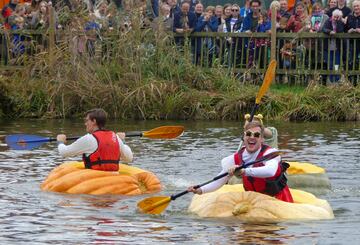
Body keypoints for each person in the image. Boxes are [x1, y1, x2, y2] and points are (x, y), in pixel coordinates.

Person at [188, 121, 293, 203]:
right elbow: (219, 180)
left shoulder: (270, 153)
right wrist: (200, 190)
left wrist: (244, 171)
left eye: (256, 135)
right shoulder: (233, 159)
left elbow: (270, 171)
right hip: (253, 201)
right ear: (244, 137)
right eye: (248, 134)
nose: (252, 137)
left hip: (278, 200)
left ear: (262, 139)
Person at [56, 108, 133, 171]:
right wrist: (123, 141)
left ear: (94, 121)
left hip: (94, 180)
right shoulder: (116, 138)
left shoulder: (88, 139)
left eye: (87, 120)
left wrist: (60, 142)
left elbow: (64, 152)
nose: (85, 124)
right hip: (113, 179)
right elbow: (129, 158)